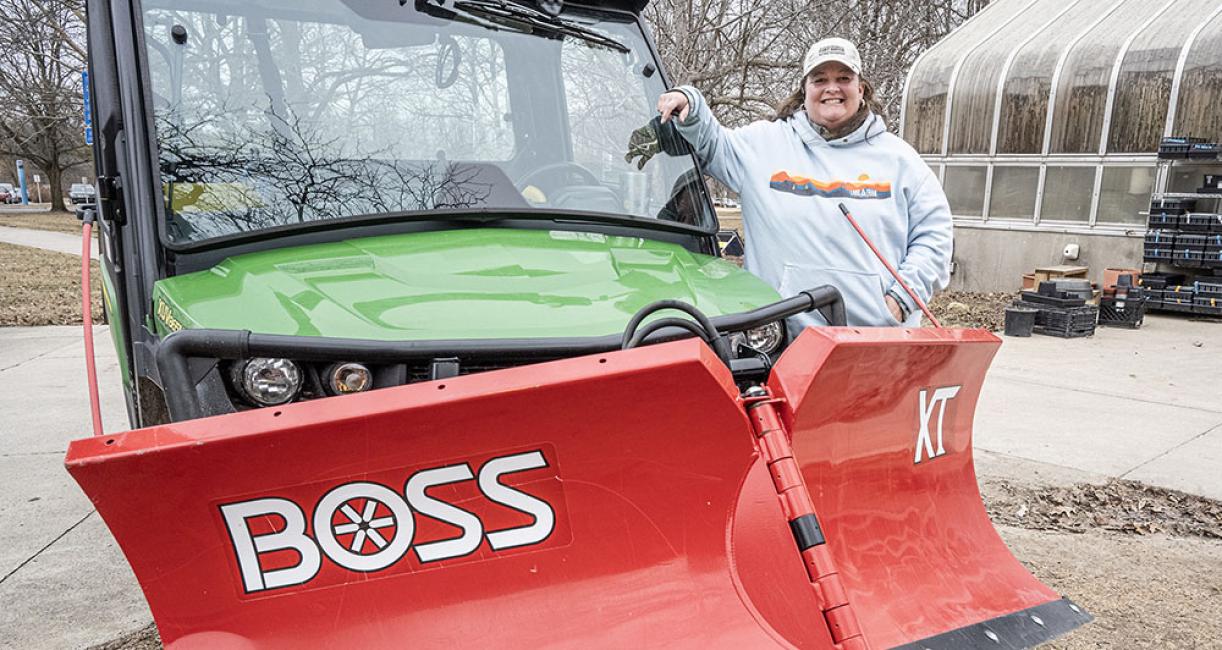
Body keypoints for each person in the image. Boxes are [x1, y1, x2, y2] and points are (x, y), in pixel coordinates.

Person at [629, 37, 952, 329]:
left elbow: (935, 237)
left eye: (844, 78)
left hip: (874, 340)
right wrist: (691, 101)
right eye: (820, 79)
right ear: (805, 89)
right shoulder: (764, 145)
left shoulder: (900, 159)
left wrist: (900, 300)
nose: (832, 88)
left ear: (861, 88)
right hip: (783, 336)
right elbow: (712, 142)